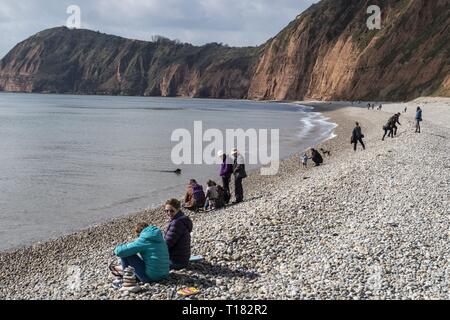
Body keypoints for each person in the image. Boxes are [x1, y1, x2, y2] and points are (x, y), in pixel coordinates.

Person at [164, 199, 193, 270]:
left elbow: (167, 244)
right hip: (182, 258)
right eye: (166, 211)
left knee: (150, 263)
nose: (169, 213)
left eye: (171, 211)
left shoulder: (176, 223)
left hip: (176, 261)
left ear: (178, 209)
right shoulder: (181, 219)